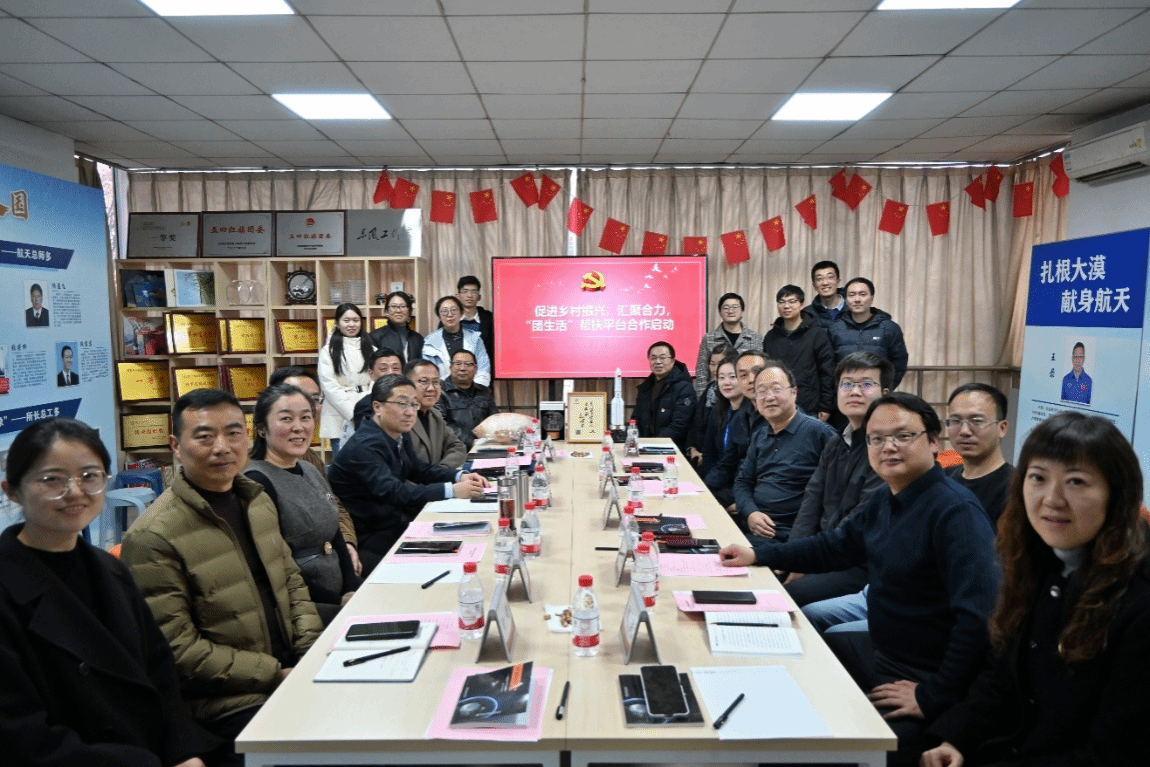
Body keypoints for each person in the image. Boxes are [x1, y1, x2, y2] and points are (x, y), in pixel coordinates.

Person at [719, 393, 999, 766]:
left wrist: (934, 694)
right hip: (885, 650)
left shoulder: (955, 512)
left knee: (820, 746)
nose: (888, 447)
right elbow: (834, 547)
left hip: (922, 673)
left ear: (934, 442)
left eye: (903, 436)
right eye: (876, 438)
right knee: (793, 664)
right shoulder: (886, 498)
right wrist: (760, 554)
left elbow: (980, 616)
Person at [923, 411, 1150, 767]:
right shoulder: (1038, 562)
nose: (1052, 499)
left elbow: (1114, 754)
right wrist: (957, 739)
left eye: (1076, 482)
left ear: (1117, 495)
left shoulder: (1139, 601)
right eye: (1038, 478)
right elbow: (1002, 677)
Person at [0, 418, 216, 767]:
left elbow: (159, 669)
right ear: (11, 490)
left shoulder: (111, 568)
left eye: (89, 476)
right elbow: (20, 734)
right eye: (52, 479)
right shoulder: (7, 586)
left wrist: (184, 752)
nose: (75, 491)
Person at [121, 389, 323, 758]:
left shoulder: (256, 500)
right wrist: (275, 673)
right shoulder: (153, 536)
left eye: (233, 434)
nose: (222, 448)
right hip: (227, 703)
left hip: (289, 671)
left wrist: (310, 651)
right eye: (205, 436)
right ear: (176, 446)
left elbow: (291, 581)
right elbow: (178, 650)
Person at [327, 374, 490, 573]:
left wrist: (458, 476)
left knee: (466, 539)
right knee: (447, 560)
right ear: (377, 407)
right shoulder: (365, 445)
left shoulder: (397, 434)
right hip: (368, 536)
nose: (410, 412)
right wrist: (452, 490)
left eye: (414, 404)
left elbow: (418, 469)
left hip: (390, 525)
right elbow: (395, 492)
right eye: (402, 404)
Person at [245, 384, 362, 626]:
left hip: (340, 590)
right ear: (262, 428)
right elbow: (275, 566)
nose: (299, 427)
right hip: (301, 605)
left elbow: (334, 533)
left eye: (306, 417)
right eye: (286, 419)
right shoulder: (257, 481)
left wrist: (351, 587)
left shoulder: (309, 468)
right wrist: (338, 601)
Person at [785, 351, 892, 607]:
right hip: (826, 552)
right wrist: (794, 556)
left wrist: (810, 560)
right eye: (846, 384)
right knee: (766, 574)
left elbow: (859, 522)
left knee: (789, 595)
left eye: (866, 384)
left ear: (885, 394)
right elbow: (811, 502)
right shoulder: (836, 443)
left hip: (861, 564)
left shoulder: (886, 449)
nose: (854, 391)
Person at [269, 366, 361, 576]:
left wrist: (347, 544)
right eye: (294, 398)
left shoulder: (310, 460)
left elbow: (334, 504)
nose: (307, 407)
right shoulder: (254, 471)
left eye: (314, 399)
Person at [733, 361, 837, 544]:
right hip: (752, 528)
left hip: (791, 536)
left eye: (776, 389)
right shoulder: (760, 436)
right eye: (761, 392)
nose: (769, 397)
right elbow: (743, 482)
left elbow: (836, 495)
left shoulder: (820, 433)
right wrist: (750, 512)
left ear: (794, 392)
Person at [703, 349, 768, 514]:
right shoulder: (740, 417)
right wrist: (701, 487)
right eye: (743, 375)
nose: (751, 380)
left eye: (757, 372)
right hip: (740, 488)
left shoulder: (783, 420)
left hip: (762, 501)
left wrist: (744, 505)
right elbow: (726, 464)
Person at [944, 383, 1013, 525]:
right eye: (955, 421)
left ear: (1002, 428)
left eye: (976, 421)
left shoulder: (1016, 488)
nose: (964, 431)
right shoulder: (944, 478)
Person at [763, 284, 835, 421]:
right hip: (778, 404)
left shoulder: (817, 334)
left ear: (801, 305)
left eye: (792, 301)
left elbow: (827, 371)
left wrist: (826, 405)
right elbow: (766, 372)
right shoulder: (771, 337)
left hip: (809, 405)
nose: (786, 306)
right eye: (782, 302)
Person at [828, 277, 909, 389]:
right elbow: (828, 364)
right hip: (845, 391)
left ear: (871, 298)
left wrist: (885, 388)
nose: (857, 299)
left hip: (876, 393)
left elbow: (899, 362)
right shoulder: (835, 328)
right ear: (846, 299)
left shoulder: (889, 328)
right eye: (852, 295)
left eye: (862, 294)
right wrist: (838, 388)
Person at [317, 303, 374, 455]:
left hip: (368, 410)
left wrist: (367, 407)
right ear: (337, 323)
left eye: (356, 320)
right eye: (346, 320)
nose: (351, 325)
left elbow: (377, 379)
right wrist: (353, 413)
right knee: (342, 460)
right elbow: (329, 385)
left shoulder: (371, 349)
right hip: (339, 412)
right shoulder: (328, 351)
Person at [693, 292, 764, 395]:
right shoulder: (709, 339)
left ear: (742, 311)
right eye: (726, 308)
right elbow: (702, 372)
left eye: (735, 307)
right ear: (720, 313)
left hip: (746, 394)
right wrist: (702, 398)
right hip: (716, 394)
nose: (730, 311)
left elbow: (760, 369)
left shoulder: (755, 338)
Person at [633, 341, 698, 451]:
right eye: (653, 358)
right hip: (645, 447)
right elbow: (636, 420)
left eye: (663, 358)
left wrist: (652, 444)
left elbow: (680, 425)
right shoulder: (645, 388)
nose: (658, 362)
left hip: (673, 449)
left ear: (672, 361)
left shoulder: (684, 388)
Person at [405, 358, 467, 470]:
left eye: (436, 382)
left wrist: (442, 470)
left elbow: (458, 447)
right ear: (406, 385)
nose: (431, 388)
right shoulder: (400, 417)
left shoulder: (435, 415)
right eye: (423, 381)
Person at [423, 295, 491, 386]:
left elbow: (484, 371)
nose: (449, 314)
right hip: (441, 392)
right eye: (444, 311)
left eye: (454, 310)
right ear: (439, 316)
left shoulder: (475, 339)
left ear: (461, 313)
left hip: (474, 391)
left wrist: (473, 391)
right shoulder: (429, 343)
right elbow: (429, 376)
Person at [438, 348, 498, 449]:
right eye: (458, 364)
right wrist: (471, 442)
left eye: (468, 364)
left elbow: (495, 418)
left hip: (484, 448)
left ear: (475, 369)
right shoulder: (439, 392)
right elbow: (441, 424)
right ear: (450, 367)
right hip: (453, 449)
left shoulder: (485, 392)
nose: (462, 368)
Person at [686, 342, 732, 469]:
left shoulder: (732, 395)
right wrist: (692, 448)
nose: (715, 369)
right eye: (712, 364)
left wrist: (706, 456)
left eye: (720, 363)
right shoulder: (710, 389)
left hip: (717, 461)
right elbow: (695, 422)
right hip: (699, 455)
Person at [697, 354, 743, 480]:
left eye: (732, 377)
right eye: (721, 378)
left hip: (738, 482)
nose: (726, 382)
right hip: (717, 477)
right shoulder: (717, 411)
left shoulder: (750, 415)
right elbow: (708, 453)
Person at [352, 347, 405, 431]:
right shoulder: (365, 405)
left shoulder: (411, 400)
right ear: (371, 374)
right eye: (383, 369)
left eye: (395, 368)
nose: (390, 373)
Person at [367, 291, 423, 364]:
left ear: (410, 311)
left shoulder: (417, 338)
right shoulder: (375, 337)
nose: (398, 310)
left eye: (403, 306)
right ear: (386, 311)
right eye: (393, 306)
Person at [455, 275, 495, 373]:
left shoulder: (490, 319)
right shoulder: (450, 318)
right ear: (458, 296)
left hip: (484, 373)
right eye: (465, 291)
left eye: (474, 292)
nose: (470, 295)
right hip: (457, 374)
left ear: (479, 297)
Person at [802, 260, 847, 330]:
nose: (825, 283)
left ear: (838, 281)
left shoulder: (854, 308)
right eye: (819, 279)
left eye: (830, 277)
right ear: (814, 285)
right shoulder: (807, 314)